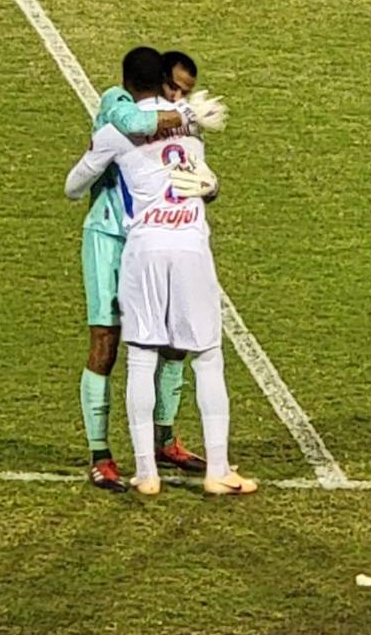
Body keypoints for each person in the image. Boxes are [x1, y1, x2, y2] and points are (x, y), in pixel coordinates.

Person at [65, 46, 254, 497]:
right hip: (112, 236)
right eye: (174, 89)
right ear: (158, 82)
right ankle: (101, 454)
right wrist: (186, 117)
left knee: (165, 347)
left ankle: (161, 446)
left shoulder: (180, 126)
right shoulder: (119, 104)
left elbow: (196, 180)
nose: (178, 97)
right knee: (110, 342)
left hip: (148, 241)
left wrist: (210, 186)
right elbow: (130, 129)